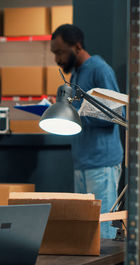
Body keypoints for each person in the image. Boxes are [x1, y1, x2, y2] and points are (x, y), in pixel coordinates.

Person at [50, 24, 123, 239]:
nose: (57, 59)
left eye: (60, 52)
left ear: (77, 46)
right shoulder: (76, 75)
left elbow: (116, 114)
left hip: (101, 163)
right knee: (85, 232)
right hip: (82, 162)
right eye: (54, 53)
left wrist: (76, 113)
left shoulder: (100, 70)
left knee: (102, 233)